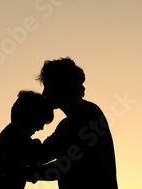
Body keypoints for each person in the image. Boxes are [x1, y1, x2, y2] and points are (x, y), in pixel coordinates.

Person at [31, 57, 118, 189]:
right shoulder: (66, 125)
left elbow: (65, 166)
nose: (44, 93)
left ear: (62, 85)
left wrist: (28, 173)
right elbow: (42, 155)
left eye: (48, 86)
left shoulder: (89, 115)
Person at [0, 90, 54, 189]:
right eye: (41, 122)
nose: (41, 128)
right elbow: (35, 159)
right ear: (31, 116)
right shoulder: (14, 136)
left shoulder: (12, 134)